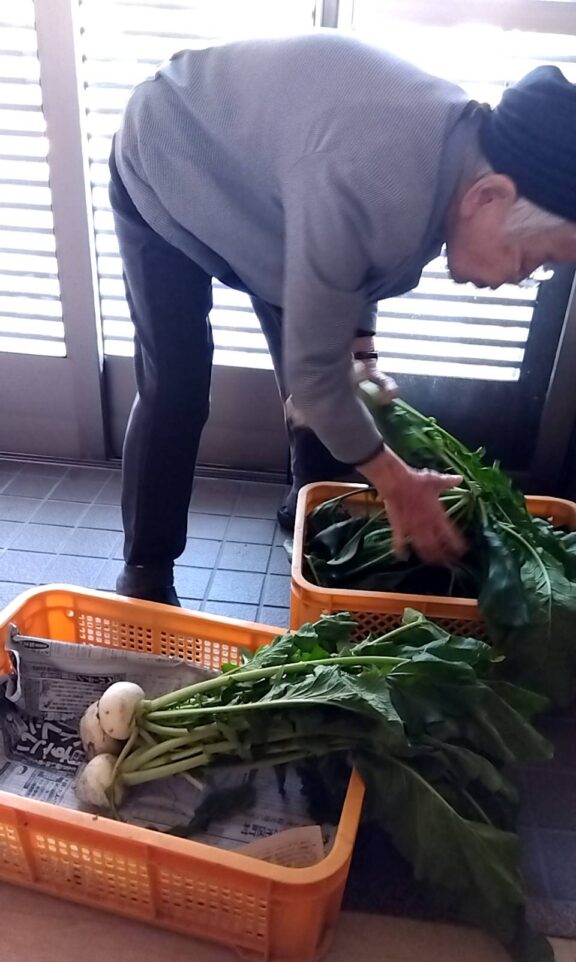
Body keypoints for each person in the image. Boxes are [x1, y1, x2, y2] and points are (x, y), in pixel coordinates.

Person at [110, 32, 576, 606]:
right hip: (171, 149)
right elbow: (315, 370)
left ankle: (312, 511)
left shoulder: (453, 160)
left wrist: (363, 352)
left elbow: (351, 260)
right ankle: (146, 571)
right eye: (532, 258)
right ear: (490, 196)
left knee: (337, 385)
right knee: (177, 387)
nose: (517, 278)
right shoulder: (367, 171)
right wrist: (397, 482)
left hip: (279, 192)